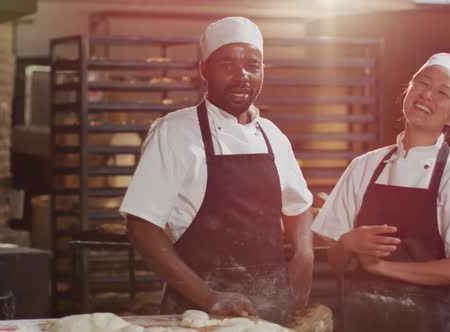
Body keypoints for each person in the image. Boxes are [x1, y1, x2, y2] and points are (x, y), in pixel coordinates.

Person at [120, 17, 314, 325]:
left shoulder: (273, 135)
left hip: (269, 315)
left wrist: (304, 258)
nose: (242, 76)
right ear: (204, 70)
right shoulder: (175, 132)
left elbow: (298, 205)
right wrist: (208, 296)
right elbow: (141, 225)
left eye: (253, 65)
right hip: (198, 316)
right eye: (227, 65)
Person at [311, 53, 450, 331]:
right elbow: (336, 261)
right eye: (422, 83)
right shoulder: (364, 166)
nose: (427, 94)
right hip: (363, 322)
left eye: (442, 92)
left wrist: (381, 268)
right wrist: (347, 242)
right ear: (409, 88)